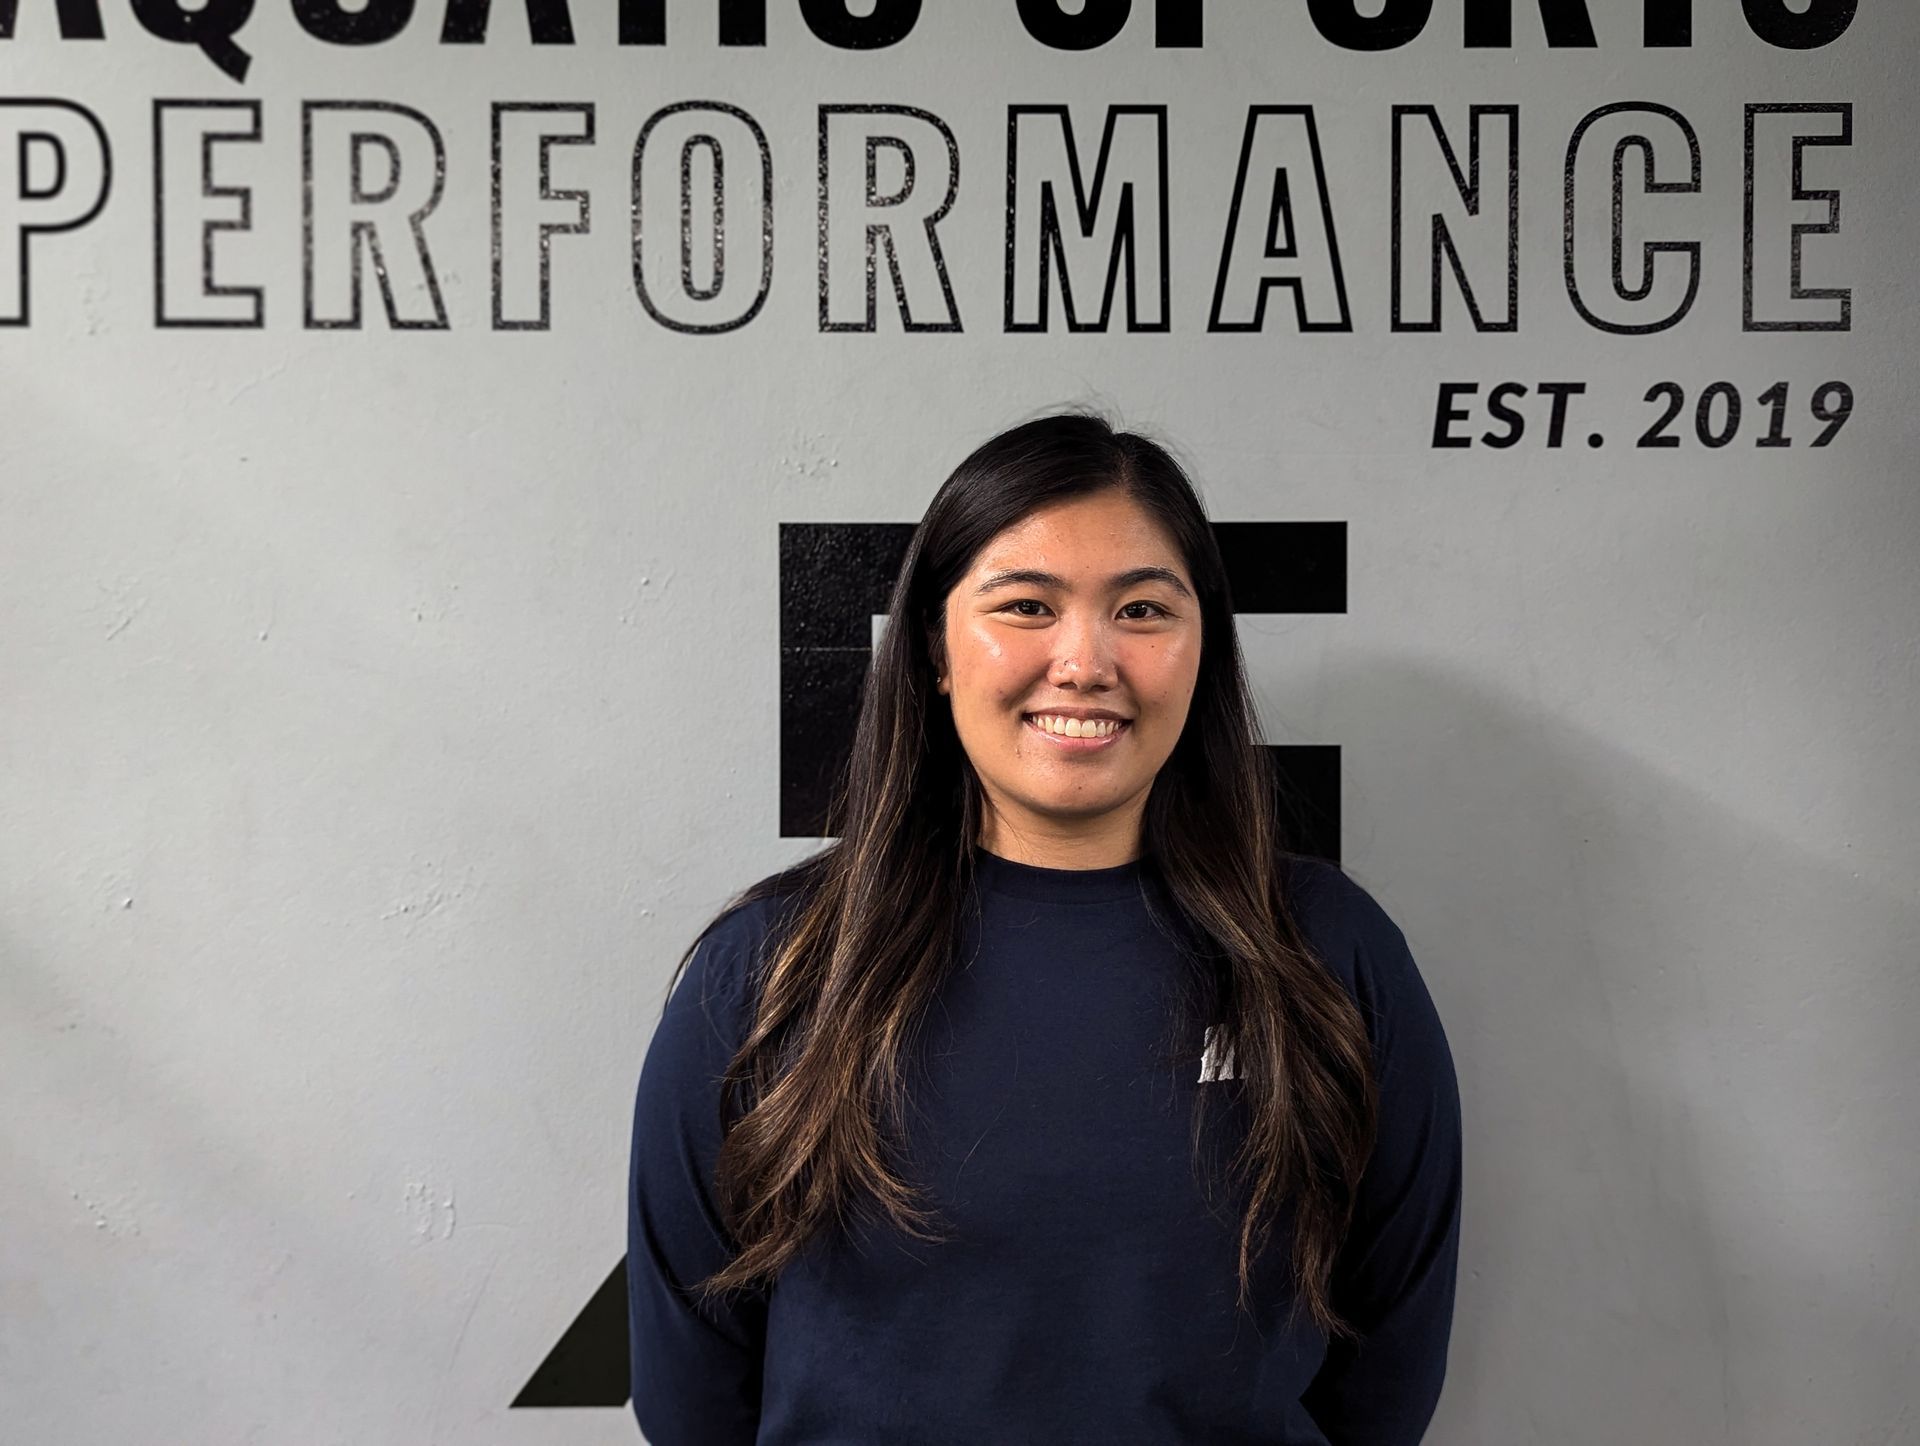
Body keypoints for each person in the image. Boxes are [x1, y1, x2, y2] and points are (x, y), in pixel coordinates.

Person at [627, 408, 1464, 1444]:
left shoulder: (1328, 955)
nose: (1085, 661)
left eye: (1143, 611)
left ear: (1202, 647)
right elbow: (691, 1401)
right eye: (1026, 605)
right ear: (935, 648)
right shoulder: (771, 968)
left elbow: (1381, 1382)